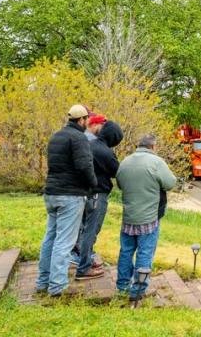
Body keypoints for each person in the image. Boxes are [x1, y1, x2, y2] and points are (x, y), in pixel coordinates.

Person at [36, 104, 97, 297]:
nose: (87, 123)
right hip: (70, 196)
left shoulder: (56, 136)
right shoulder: (78, 138)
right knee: (64, 242)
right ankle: (57, 286)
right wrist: (93, 184)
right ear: (81, 120)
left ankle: (43, 281)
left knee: (50, 238)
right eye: (87, 119)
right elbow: (84, 166)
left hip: (51, 193)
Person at [115, 134, 177, 300]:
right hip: (149, 218)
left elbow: (119, 184)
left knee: (126, 252)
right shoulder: (156, 162)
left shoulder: (125, 162)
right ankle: (138, 290)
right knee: (145, 253)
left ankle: (122, 286)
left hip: (128, 217)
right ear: (153, 147)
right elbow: (170, 183)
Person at [75, 117, 123, 280]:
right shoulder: (106, 153)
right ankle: (84, 268)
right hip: (98, 195)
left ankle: (83, 259)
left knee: (82, 228)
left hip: (83, 193)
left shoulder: (87, 144)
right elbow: (118, 173)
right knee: (91, 231)